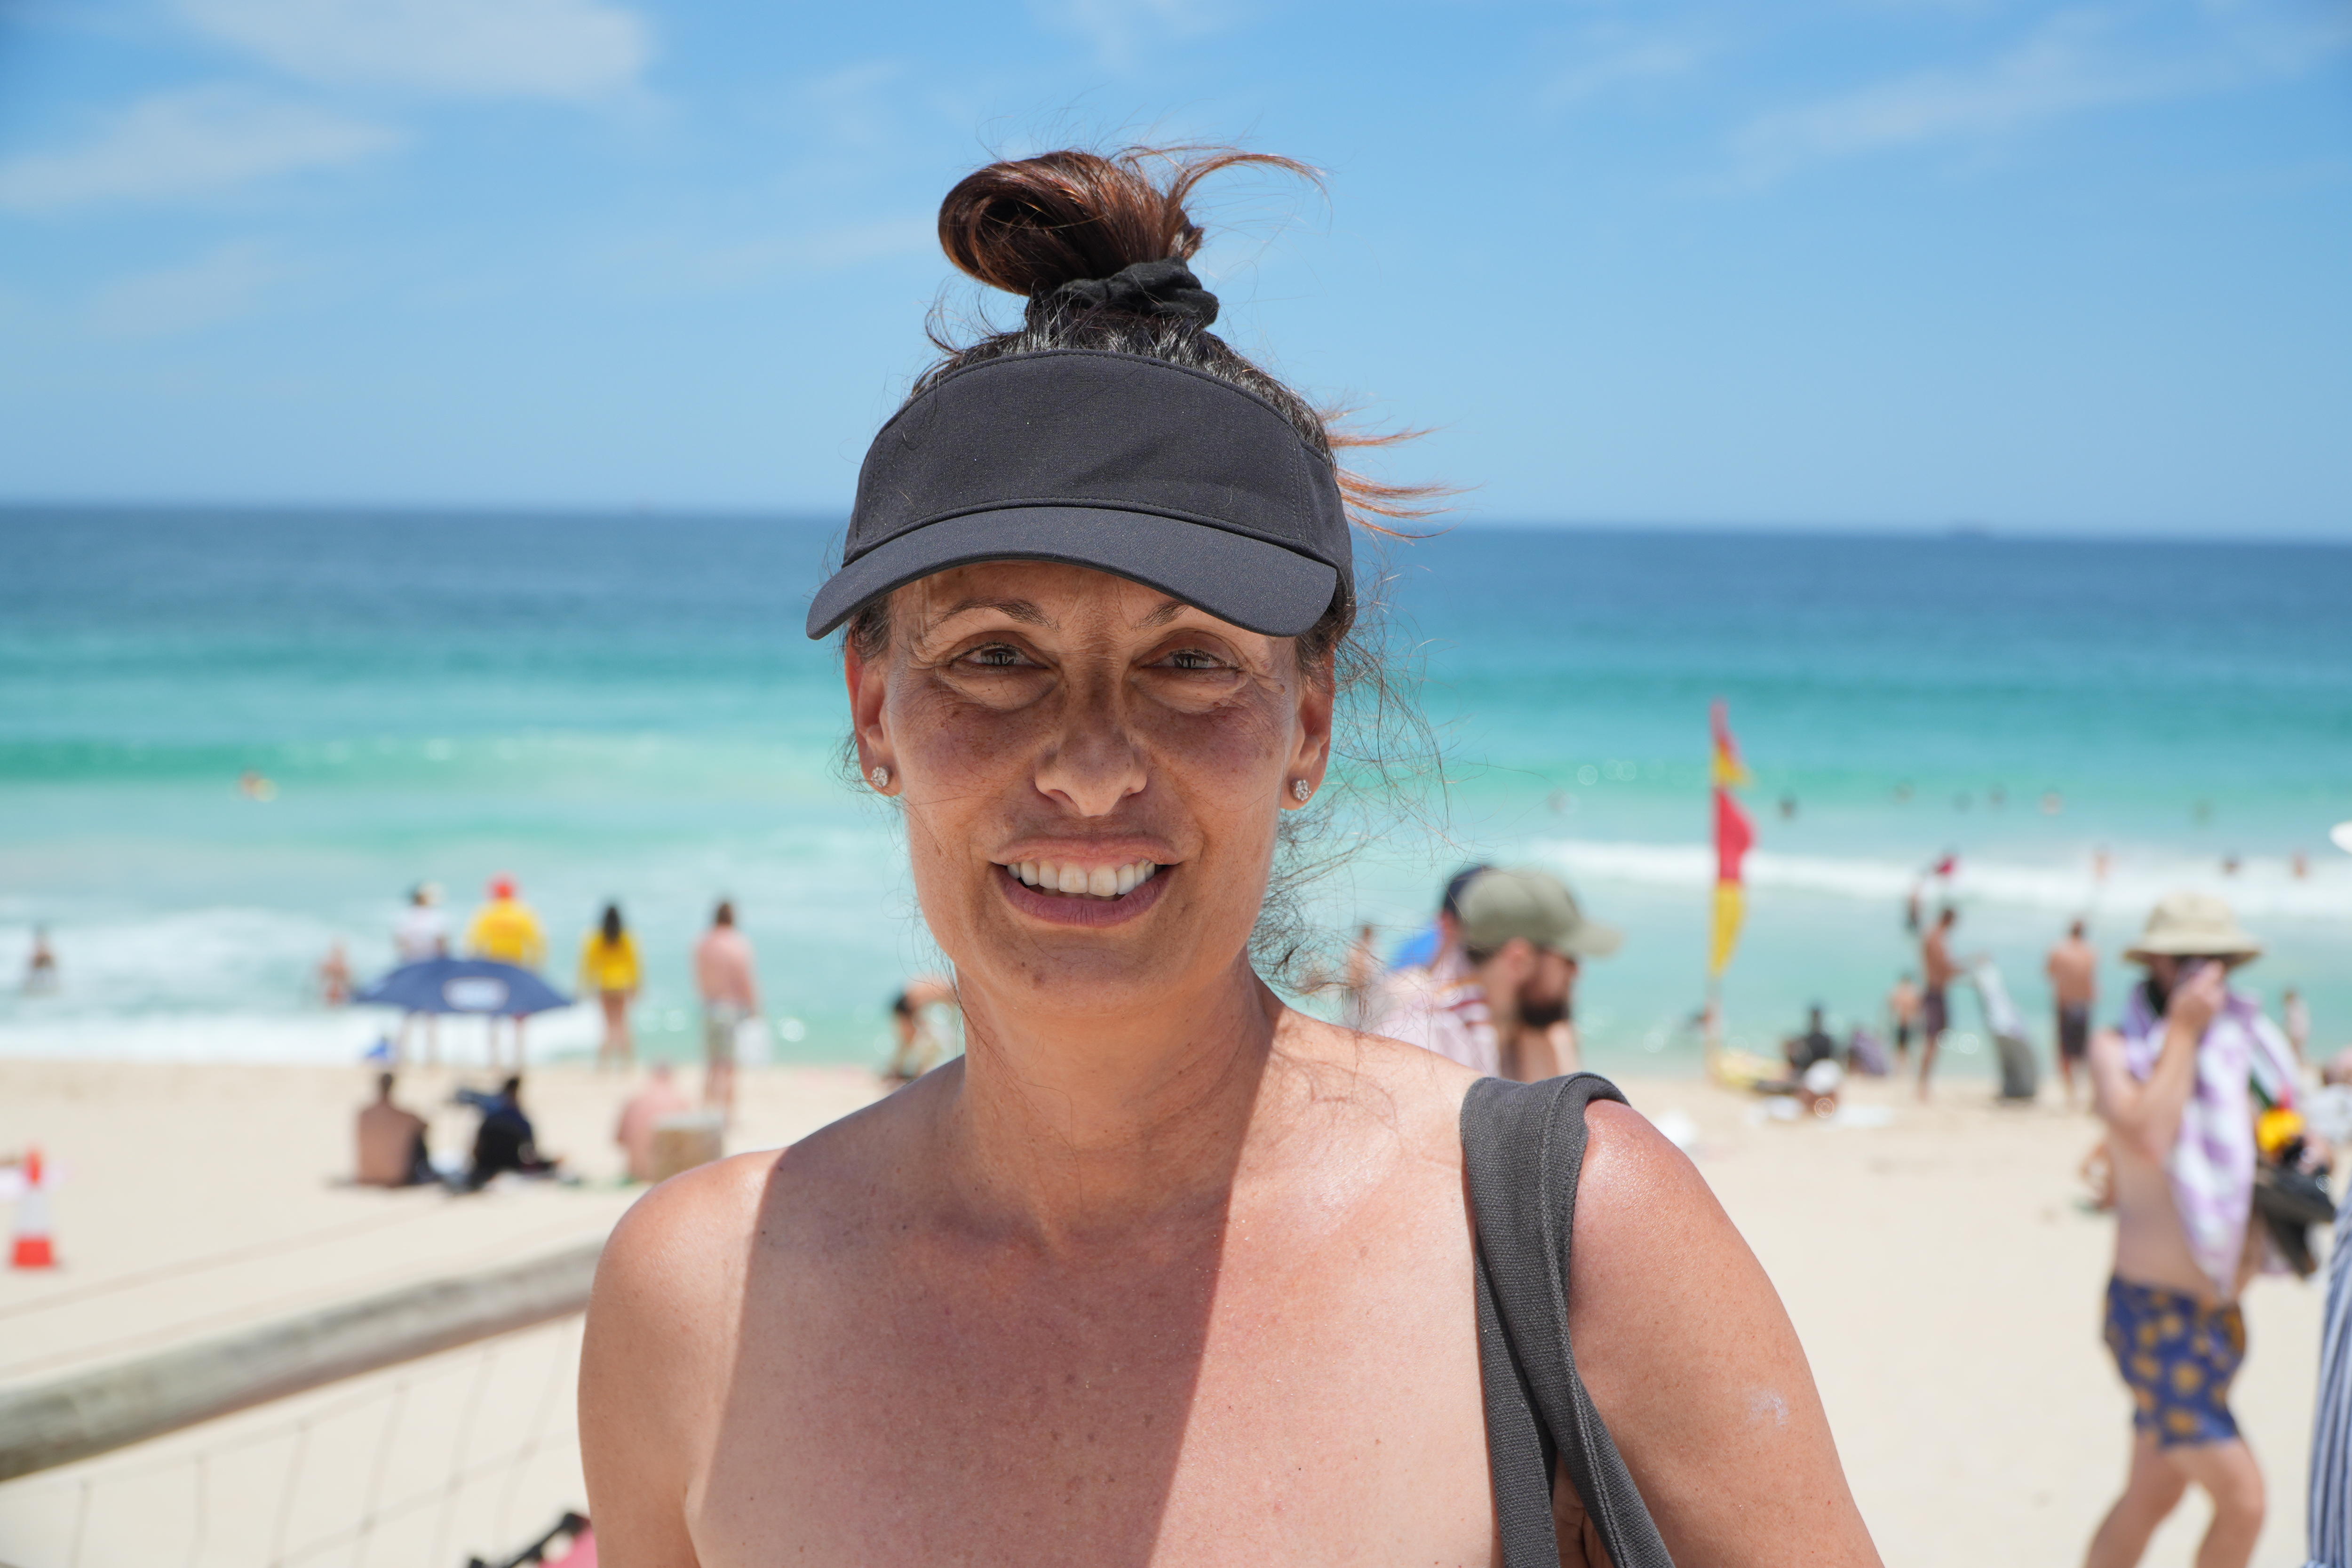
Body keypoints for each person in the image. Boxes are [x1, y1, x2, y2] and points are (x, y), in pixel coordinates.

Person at [580, 147, 1876, 1564]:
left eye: (1189, 660)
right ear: (873, 710)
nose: (1088, 760)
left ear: (1306, 725)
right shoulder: (698, 1298)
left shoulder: (1568, 1242)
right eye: (994, 656)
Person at [2082, 892, 2299, 1568]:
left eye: (2220, 962)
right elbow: (2148, 1133)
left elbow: (2285, 1142)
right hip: (2154, 1317)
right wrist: (2181, 1032)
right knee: (2246, 1501)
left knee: (2151, 1494)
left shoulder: (2248, 1057)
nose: (2209, 977)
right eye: (2190, 961)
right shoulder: (2119, 1048)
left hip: (2217, 1322)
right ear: (2156, 964)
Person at [1375, 868, 1620, 1083]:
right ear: (1519, 960)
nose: (1577, 972)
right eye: (1569, 958)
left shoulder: (1519, 1035)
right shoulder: (1424, 1048)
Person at [466, 875, 547, 1067]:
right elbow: (537, 944)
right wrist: (534, 968)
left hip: (493, 968)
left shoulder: (486, 914)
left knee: (494, 1014)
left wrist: (474, 969)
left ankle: (494, 1059)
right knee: (519, 1016)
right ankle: (518, 1058)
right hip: (517, 968)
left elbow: (474, 945)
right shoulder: (523, 914)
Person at [692, 900, 759, 1121]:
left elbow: (699, 977)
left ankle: (706, 1110)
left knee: (712, 1064)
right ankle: (728, 1116)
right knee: (729, 1066)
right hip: (731, 1008)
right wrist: (754, 1007)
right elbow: (745, 979)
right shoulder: (737, 943)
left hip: (710, 1006)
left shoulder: (704, 943)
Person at [458, 1075, 552, 1190]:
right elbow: (532, 1152)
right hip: (509, 1165)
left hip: (487, 1166)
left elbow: (476, 1149)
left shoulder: (492, 1117)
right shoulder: (520, 1120)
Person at [580, 903, 643, 1072]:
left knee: (608, 1026)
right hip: (622, 984)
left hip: (605, 985)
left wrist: (586, 985)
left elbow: (589, 964)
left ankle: (604, 1064)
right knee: (622, 1024)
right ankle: (627, 1063)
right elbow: (635, 964)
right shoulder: (626, 938)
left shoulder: (596, 939)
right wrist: (637, 986)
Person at [392, 883, 449, 1066]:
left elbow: (400, 942)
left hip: (411, 967)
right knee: (431, 1013)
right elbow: (442, 944)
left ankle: (401, 1054)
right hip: (430, 968)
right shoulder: (434, 917)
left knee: (408, 1012)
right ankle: (431, 1056)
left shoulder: (406, 917)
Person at [2047, 919, 2099, 1108]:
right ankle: (2083, 1090)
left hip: (2065, 1004)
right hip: (2084, 1005)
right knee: (2082, 1051)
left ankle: (2071, 1091)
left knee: (2065, 1052)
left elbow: (2050, 973)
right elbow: (2091, 978)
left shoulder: (2059, 951)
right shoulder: (2090, 952)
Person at [615, 1062, 692, 1184]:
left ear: (652, 1077)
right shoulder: (680, 1102)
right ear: (671, 1077)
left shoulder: (635, 1101)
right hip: (667, 1176)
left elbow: (619, 1140)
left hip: (636, 1174)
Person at [354, 1072, 432, 1187]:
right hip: (397, 1177)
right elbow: (426, 1126)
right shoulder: (404, 1116)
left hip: (365, 1175)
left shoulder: (363, 1114)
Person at [884, 975, 958, 1084]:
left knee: (909, 1043)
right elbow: (916, 1001)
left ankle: (899, 1071)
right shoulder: (946, 989)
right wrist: (922, 1023)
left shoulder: (942, 984)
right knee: (921, 1042)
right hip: (906, 1006)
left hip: (905, 1003)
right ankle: (909, 1072)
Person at [1918, 906, 1959, 1100]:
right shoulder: (1936, 938)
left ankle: (1924, 1083)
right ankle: (1923, 1084)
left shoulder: (1934, 936)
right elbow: (1944, 969)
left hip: (1936, 991)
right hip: (1935, 992)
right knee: (1932, 1040)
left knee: (1934, 1040)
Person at [1784, 1005, 1837, 1075]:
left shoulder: (1808, 1039)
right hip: (1826, 1070)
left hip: (1814, 1071)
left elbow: (1805, 1061)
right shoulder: (1827, 1039)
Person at [1886, 971, 1921, 1068]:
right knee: (1902, 1047)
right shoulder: (1908, 992)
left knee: (1903, 1047)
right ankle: (1902, 1067)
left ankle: (1902, 1067)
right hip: (1903, 1023)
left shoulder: (1902, 992)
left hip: (1905, 1023)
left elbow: (1892, 1006)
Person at [22, 926, 56, 995]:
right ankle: (53, 985)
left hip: (42, 958)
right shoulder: (42, 941)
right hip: (41, 958)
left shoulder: (40, 941)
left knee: (34, 973)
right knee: (36, 972)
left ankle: (30, 986)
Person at [317, 940, 352, 1006]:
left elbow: (349, 985)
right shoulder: (327, 966)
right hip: (330, 990)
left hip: (338, 992)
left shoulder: (345, 968)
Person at [2283, 987, 2311, 1066]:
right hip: (2302, 1032)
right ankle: (2302, 1065)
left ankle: (2299, 1065)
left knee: (2295, 1052)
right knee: (2300, 1052)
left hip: (2295, 1033)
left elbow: (2290, 1023)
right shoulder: (2301, 1006)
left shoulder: (2290, 1008)